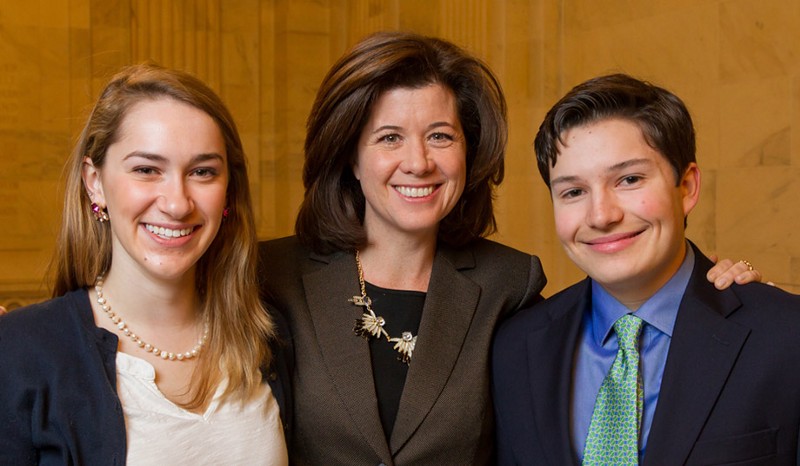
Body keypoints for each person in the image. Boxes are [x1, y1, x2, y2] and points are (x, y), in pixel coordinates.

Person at [258, 33, 755, 465]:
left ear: (468, 152)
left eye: (440, 136)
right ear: (350, 156)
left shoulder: (508, 286)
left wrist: (725, 303)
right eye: (389, 138)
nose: (418, 162)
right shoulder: (270, 275)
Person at [492, 73, 800, 465]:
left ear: (686, 187)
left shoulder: (787, 337)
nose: (601, 215)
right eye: (573, 192)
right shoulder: (515, 349)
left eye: (629, 179)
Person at [0, 63, 291, 465]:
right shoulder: (17, 353)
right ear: (94, 181)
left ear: (228, 191)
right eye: (147, 170)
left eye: (203, 172)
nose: (177, 203)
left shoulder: (271, 337)